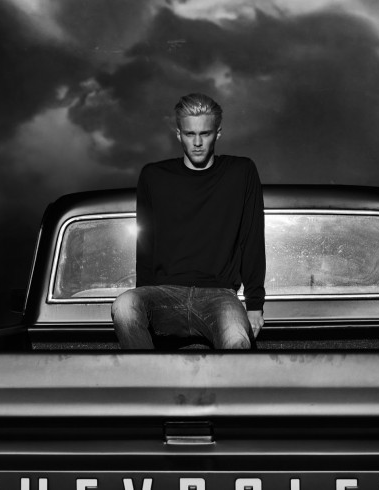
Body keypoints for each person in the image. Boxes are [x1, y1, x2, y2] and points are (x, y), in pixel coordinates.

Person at [111, 93, 265, 349]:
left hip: (220, 295)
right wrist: (143, 301)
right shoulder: (154, 177)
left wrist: (255, 305)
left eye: (205, 134)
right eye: (190, 134)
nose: (197, 142)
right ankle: (149, 375)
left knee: (237, 339)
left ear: (218, 133)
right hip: (164, 293)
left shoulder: (241, 172)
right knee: (124, 305)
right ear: (178, 134)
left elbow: (252, 239)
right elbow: (145, 245)